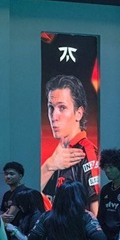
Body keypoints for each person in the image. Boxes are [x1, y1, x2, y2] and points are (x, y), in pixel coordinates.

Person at [40, 74, 100, 216]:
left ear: (79, 113)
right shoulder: (55, 158)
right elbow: (32, 197)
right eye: (51, 107)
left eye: (62, 108)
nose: (53, 116)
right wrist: (49, 166)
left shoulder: (87, 153)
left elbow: (96, 212)